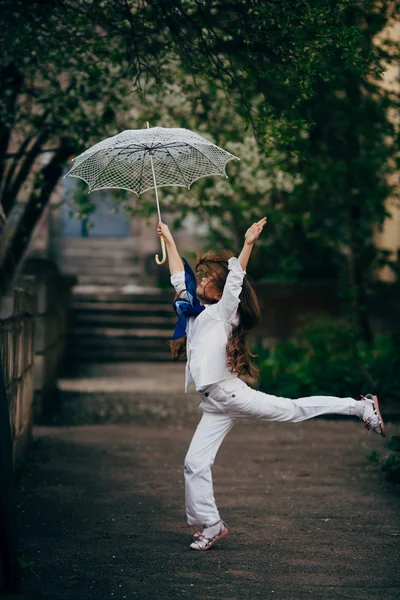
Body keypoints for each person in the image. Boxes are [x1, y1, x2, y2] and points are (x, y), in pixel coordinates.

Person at [157, 218, 386, 552]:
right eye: (202, 276)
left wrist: (247, 244)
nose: (201, 279)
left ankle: (360, 406)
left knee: (291, 410)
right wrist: (169, 240)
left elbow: (236, 279)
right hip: (215, 403)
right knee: (195, 462)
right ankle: (212, 524)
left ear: (219, 292)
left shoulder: (224, 312)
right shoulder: (193, 309)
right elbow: (178, 275)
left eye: (207, 278)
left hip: (230, 394)